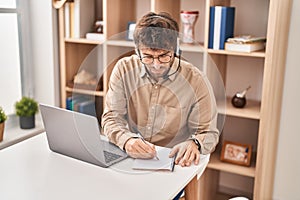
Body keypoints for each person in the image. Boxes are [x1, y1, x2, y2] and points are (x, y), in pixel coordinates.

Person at [101, 12, 219, 168]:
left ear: (175, 49)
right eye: (148, 56)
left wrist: (195, 143)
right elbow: (111, 118)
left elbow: (209, 132)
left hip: (174, 161)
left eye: (164, 56)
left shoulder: (196, 80)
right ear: (137, 51)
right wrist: (126, 140)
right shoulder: (123, 69)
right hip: (131, 156)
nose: (156, 65)